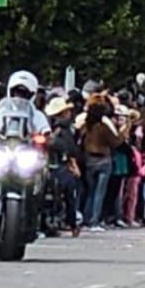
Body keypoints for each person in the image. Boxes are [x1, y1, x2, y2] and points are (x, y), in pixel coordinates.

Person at [80, 102, 123, 231]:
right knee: (100, 192)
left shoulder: (85, 127)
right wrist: (124, 132)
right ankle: (95, 221)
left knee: (91, 192)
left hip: (88, 160)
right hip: (103, 160)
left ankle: (86, 219)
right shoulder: (103, 127)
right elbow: (115, 142)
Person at [46, 97, 83, 237]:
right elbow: (71, 150)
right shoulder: (63, 129)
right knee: (69, 194)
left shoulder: (49, 127)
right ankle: (71, 223)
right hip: (60, 165)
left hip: (49, 165)